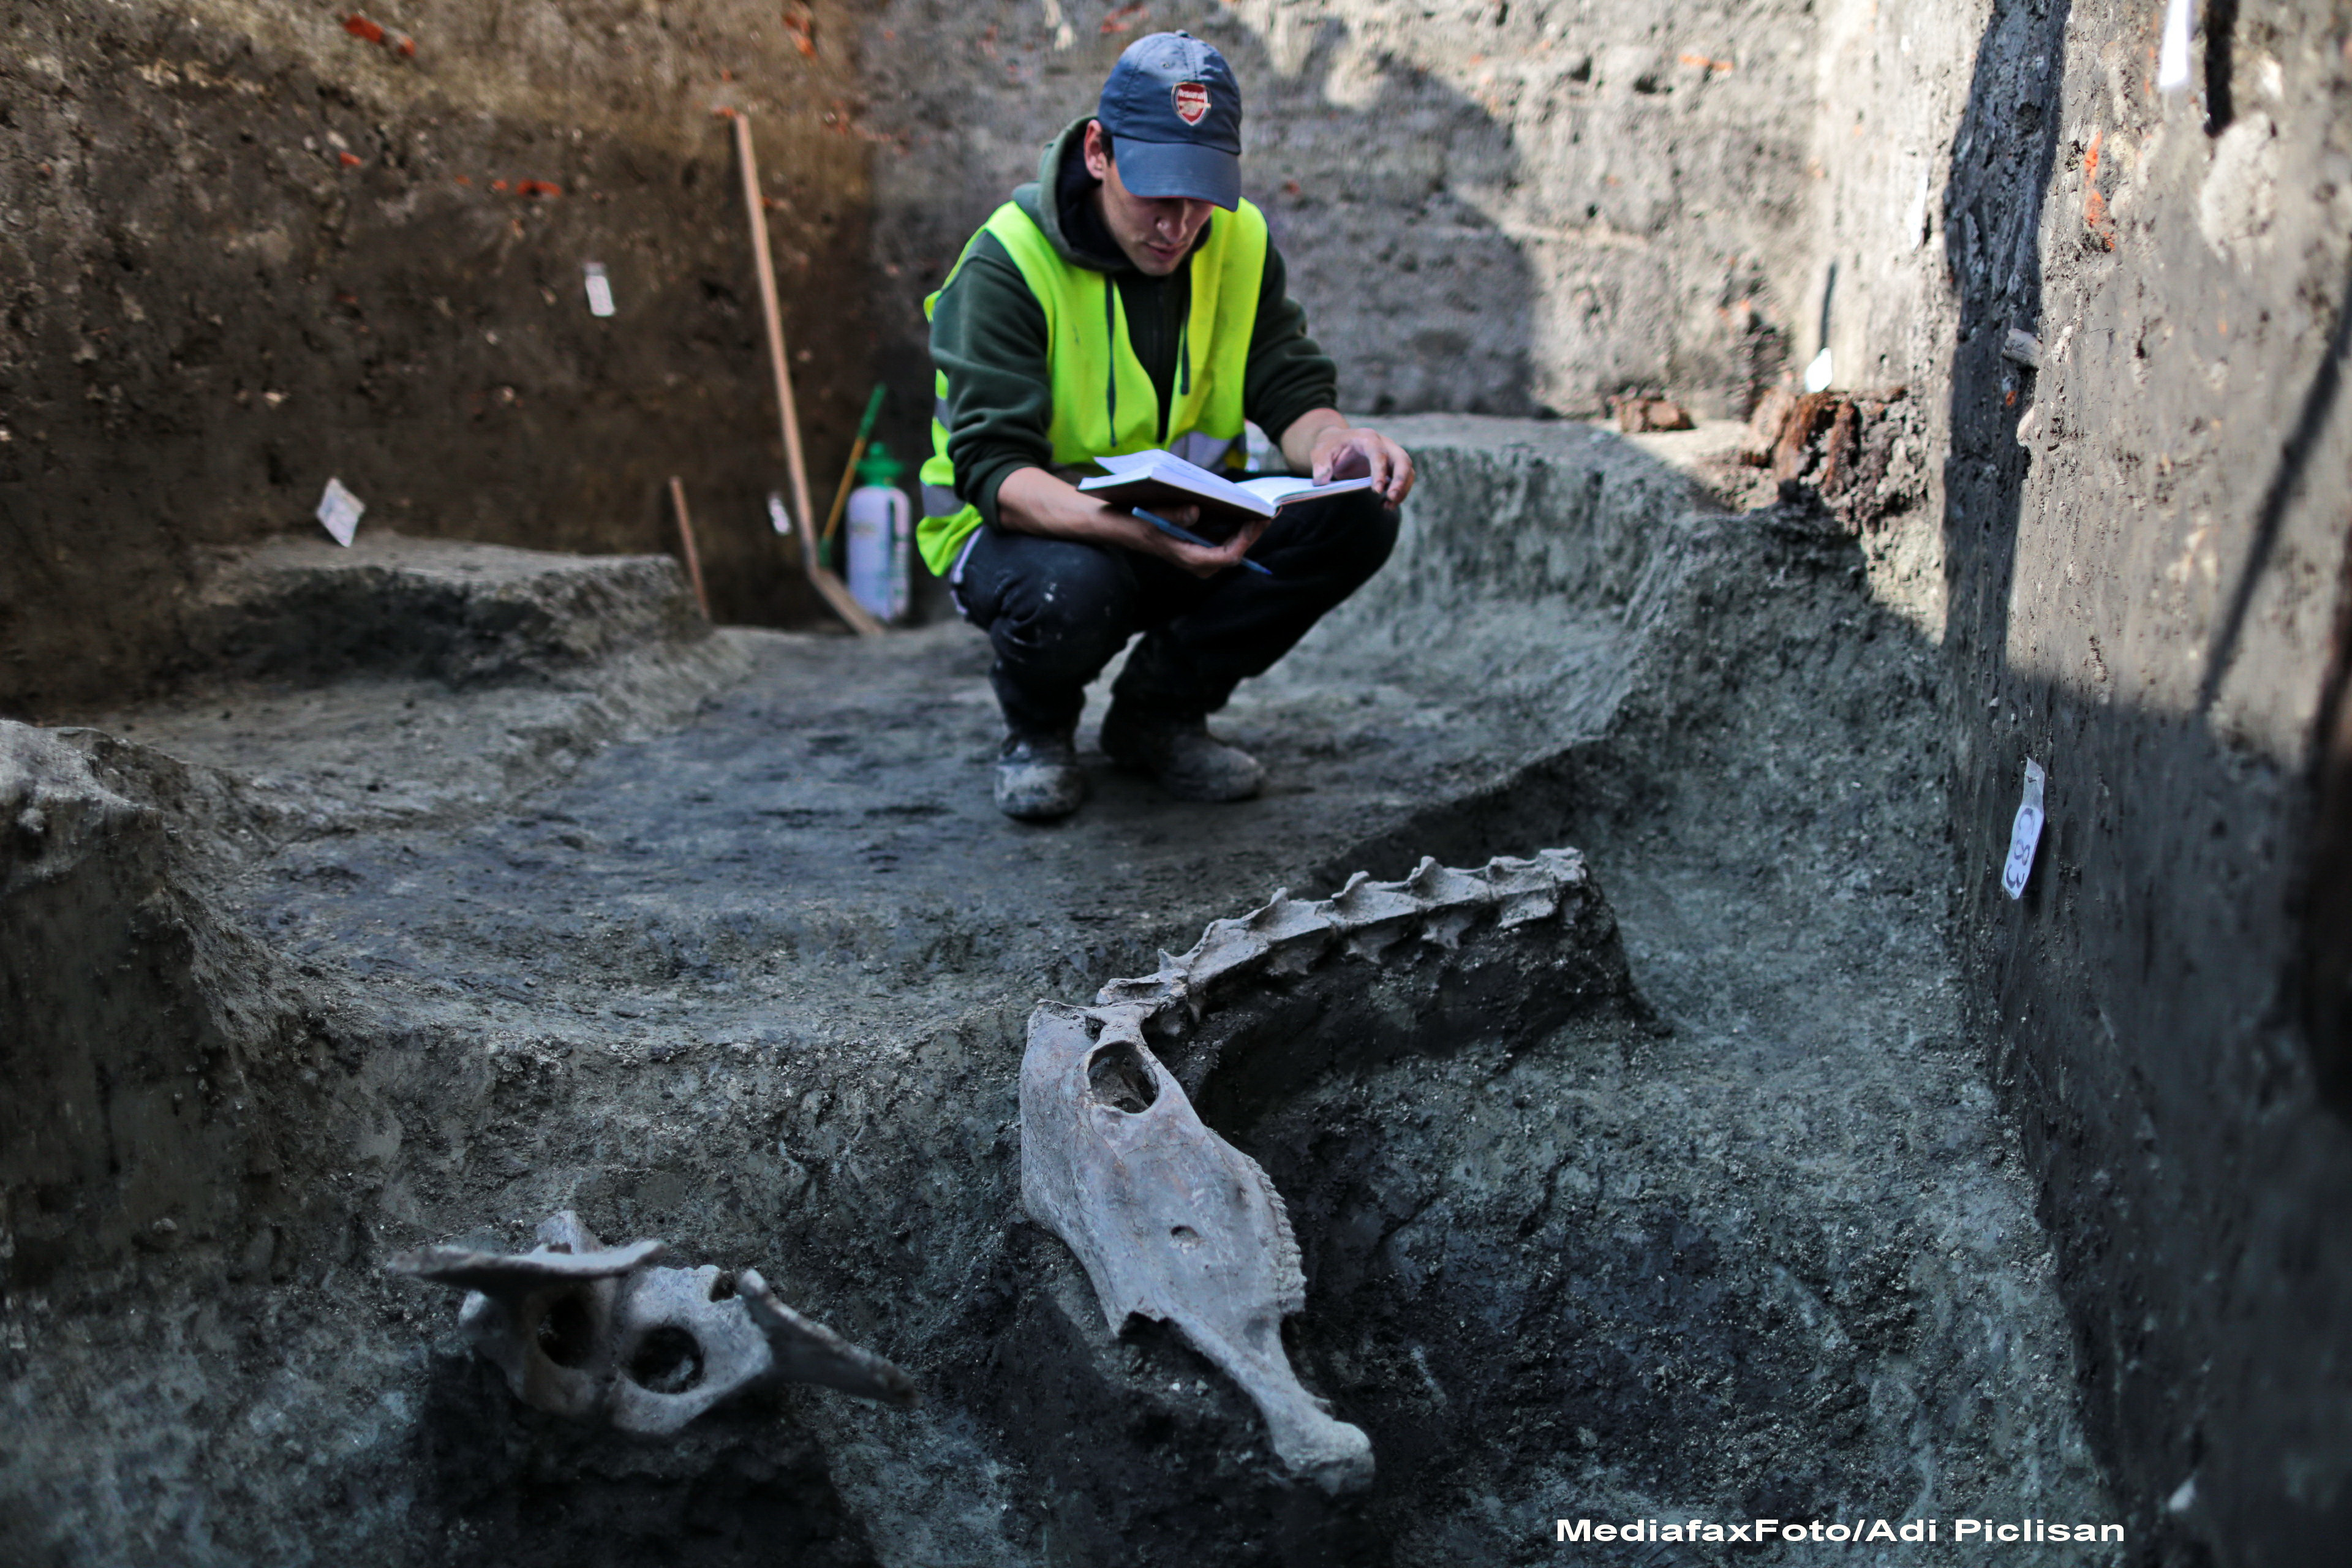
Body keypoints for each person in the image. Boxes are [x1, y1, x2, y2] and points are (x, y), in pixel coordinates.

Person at [919, 30, 1415, 821]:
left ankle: (1156, 716)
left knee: (1355, 514)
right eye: (1156, 193)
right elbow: (996, 474)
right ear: (1097, 152)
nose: (1177, 226)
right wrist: (1134, 534)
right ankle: (1039, 730)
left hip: (1178, 520)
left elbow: (1287, 383)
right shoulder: (1007, 263)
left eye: (1200, 196)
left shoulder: (1239, 238)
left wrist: (1335, 445)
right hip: (1028, 534)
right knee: (1069, 587)